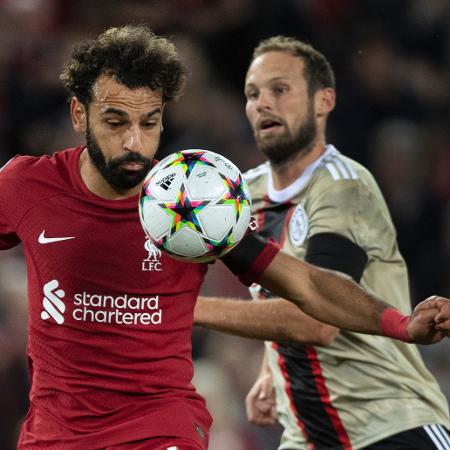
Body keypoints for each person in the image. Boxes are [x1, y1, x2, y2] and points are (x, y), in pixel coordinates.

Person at [0, 25, 449, 450]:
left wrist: (400, 324)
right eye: (116, 122)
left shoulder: (193, 200)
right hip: (55, 435)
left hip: (159, 429)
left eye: (151, 122)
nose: (135, 143)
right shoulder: (28, 185)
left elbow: (306, 285)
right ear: (80, 113)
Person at [194, 36, 450, 450]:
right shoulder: (243, 192)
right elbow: (276, 292)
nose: (262, 104)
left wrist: (187, 308)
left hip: (391, 425)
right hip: (307, 435)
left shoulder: (345, 187)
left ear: (323, 101)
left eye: (280, 89)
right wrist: (270, 367)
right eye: (252, 94)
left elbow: (318, 318)